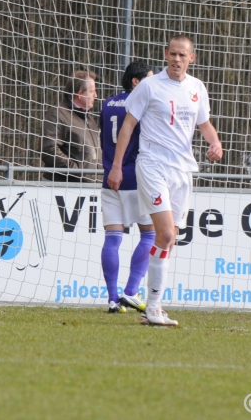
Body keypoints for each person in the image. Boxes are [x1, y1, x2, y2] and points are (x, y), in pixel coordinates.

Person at [108, 35, 223, 326]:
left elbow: (204, 123)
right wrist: (117, 166)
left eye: (182, 55)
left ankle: (153, 306)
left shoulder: (197, 88)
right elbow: (128, 125)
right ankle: (154, 307)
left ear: (191, 58)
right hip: (152, 165)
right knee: (166, 235)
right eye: (172, 54)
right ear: (165, 54)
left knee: (168, 240)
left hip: (182, 171)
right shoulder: (149, 86)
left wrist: (215, 143)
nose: (176, 59)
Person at [99, 62, 157, 314]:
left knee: (112, 238)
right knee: (150, 235)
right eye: (149, 80)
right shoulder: (141, 106)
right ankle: (131, 292)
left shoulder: (107, 103)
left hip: (110, 177)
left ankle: (113, 298)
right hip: (133, 177)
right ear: (136, 82)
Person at [41, 69, 101, 183]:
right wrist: (77, 171)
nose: (96, 95)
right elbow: (48, 149)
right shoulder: (57, 114)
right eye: (92, 91)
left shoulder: (89, 118)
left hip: (88, 186)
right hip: (64, 187)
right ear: (79, 94)